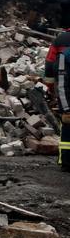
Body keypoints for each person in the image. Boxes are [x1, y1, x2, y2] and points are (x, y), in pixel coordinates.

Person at [43, 29, 70, 170]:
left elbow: (49, 63)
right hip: (64, 84)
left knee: (66, 125)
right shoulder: (64, 54)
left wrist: (50, 87)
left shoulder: (60, 39)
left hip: (62, 85)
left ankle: (64, 159)